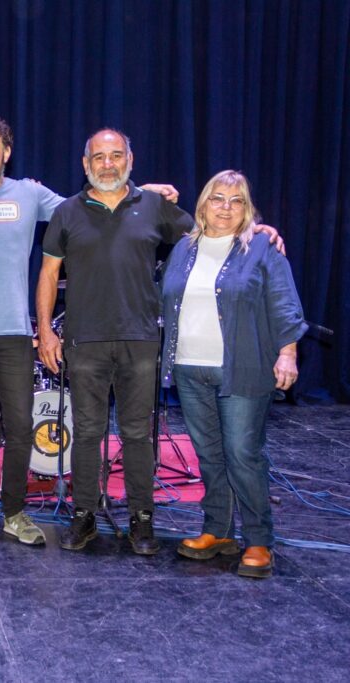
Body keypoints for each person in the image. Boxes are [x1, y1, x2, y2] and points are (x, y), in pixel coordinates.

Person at [0, 114, 178, 544]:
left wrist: (145, 194)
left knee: (20, 427)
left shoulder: (30, 193)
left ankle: (16, 512)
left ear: (6, 152)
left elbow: (96, 200)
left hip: (15, 330)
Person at [36, 129, 282, 556]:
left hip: (142, 340)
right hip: (84, 340)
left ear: (130, 160)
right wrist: (45, 330)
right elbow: (48, 273)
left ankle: (142, 518)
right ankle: (84, 514)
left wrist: (256, 229)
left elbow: (213, 230)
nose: (108, 164)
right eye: (99, 157)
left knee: (137, 434)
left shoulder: (154, 206)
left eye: (116, 155)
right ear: (85, 163)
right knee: (88, 431)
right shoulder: (67, 212)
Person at [161, 171, 305, 578]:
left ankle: (258, 540)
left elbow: (284, 302)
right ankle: (218, 531)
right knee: (208, 454)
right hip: (189, 368)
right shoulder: (184, 248)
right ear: (203, 205)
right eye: (217, 198)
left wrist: (288, 353)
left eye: (236, 200)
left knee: (242, 453)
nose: (225, 208)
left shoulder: (262, 247)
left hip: (243, 368)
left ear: (247, 209)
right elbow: (164, 298)